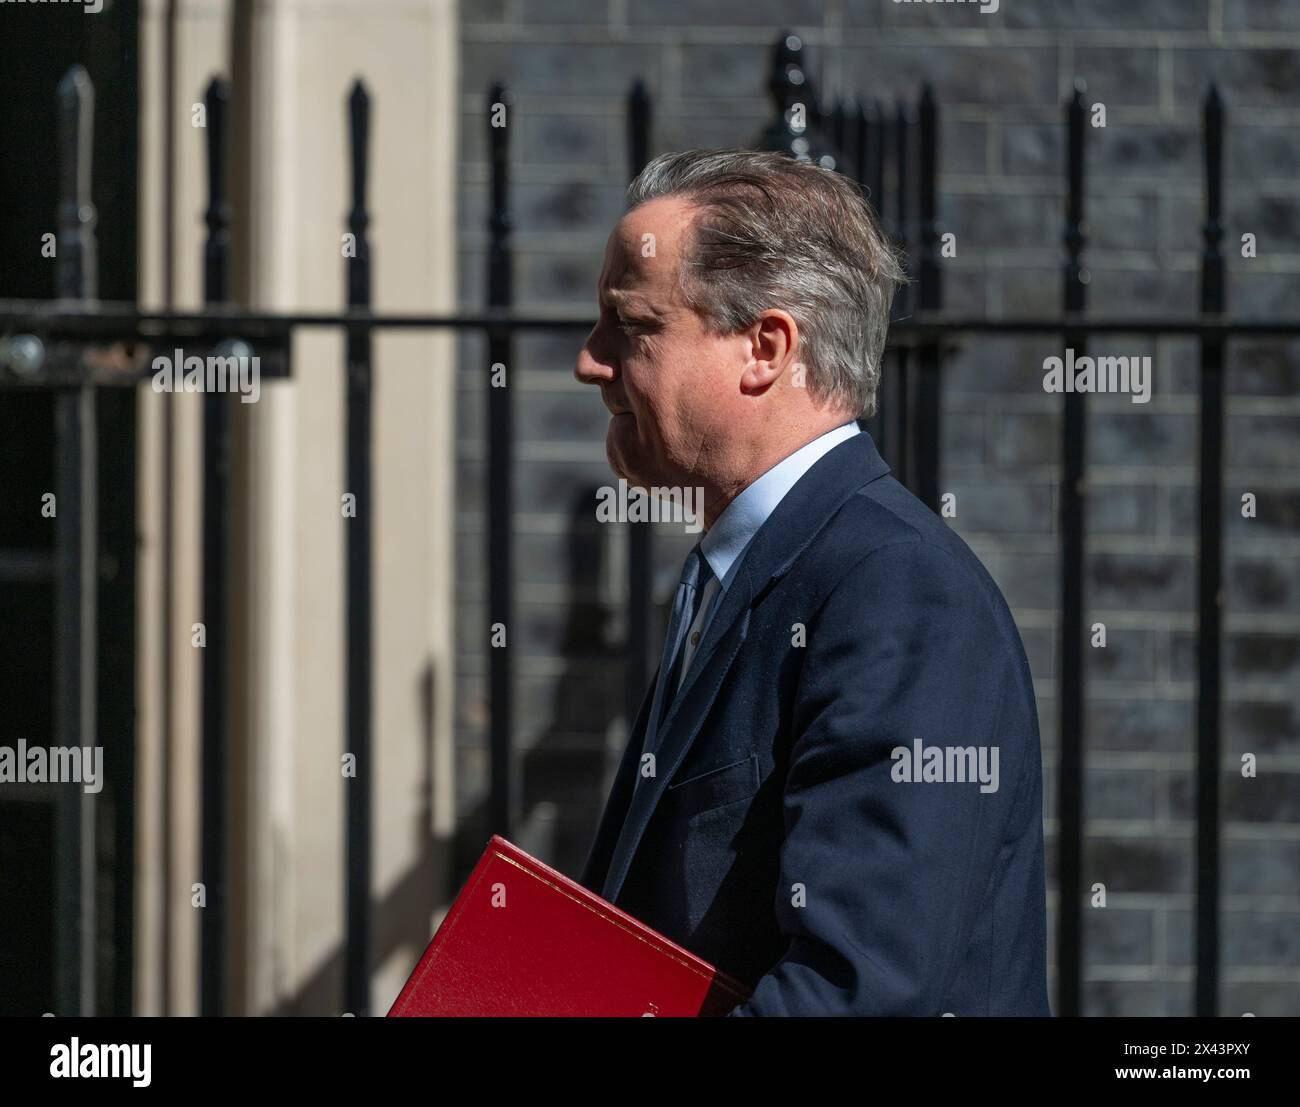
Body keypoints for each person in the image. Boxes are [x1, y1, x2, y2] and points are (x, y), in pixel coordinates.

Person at [573, 148, 1050, 1016]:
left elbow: (860, 991)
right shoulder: (741, 570)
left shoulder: (899, 596)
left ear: (765, 347)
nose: (591, 360)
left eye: (632, 327)